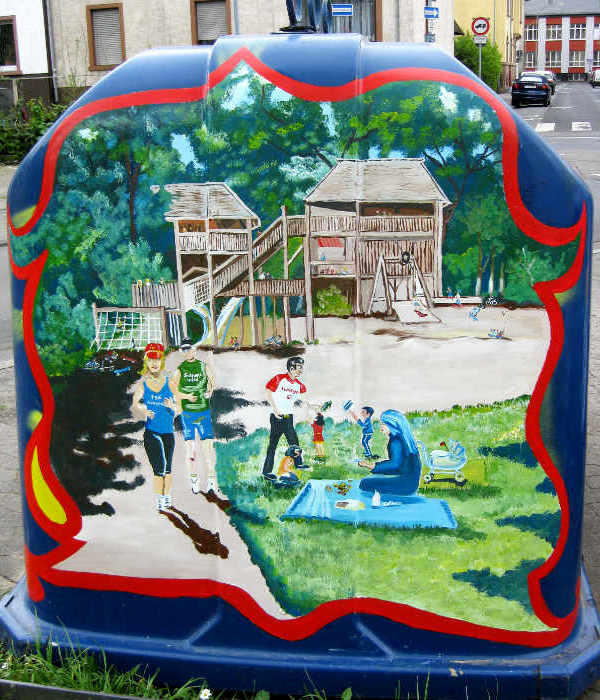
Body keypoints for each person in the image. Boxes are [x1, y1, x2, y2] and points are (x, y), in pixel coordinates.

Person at [170, 338, 224, 500]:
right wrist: (185, 396)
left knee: (208, 450)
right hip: (188, 414)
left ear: (194, 349)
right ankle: (194, 481)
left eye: (190, 349)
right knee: (191, 451)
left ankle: (211, 482)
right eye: (185, 350)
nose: (188, 352)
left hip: (203, 413)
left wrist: (209, 392)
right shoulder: (180, 369)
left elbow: (212, 382)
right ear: (183, 352)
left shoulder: (203, 366)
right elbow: (173, 388)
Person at [132, 343, 178, 511]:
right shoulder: (143, 385)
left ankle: (167, 496)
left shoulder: (170, 384)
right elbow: (135, 404)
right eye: (151, 360)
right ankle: (160, 499)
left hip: (168, 433)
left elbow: (181, 407)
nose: (154, 363)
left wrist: (172, 407)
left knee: (168, 468)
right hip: (151, 433)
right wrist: (144, 409)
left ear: (162, 361)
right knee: (159, 469)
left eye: (157, 359)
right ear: (146, 362)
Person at [262, 356, 317, 482]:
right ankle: (267, 472)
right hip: (277, 417)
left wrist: (309, 415)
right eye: (299, 367)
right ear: (291, 368)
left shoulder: (300, 386)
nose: (301, 370)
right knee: (273, 444)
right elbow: (268, 392)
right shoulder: (279, 379)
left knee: (294, 441)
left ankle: (298, 464)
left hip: (288, 418)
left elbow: (305, 403)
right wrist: (275, 409)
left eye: (301, 367)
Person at [358, 409, 421, 497]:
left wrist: (371, 466)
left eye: (383, 424)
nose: (381, 428)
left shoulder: (396, 442)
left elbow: (395, 464)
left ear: (392, 424)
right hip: (411, 482)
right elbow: (401, 466)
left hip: (406, 485)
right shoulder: (404, 440)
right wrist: (376, 468)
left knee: (364, 483)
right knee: (375, 476)